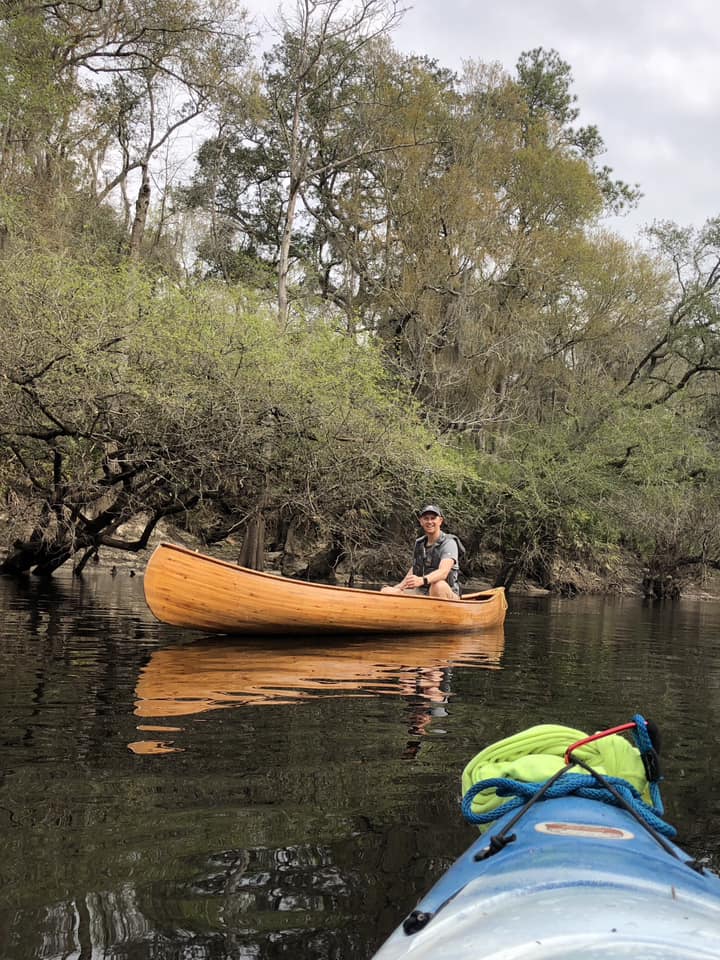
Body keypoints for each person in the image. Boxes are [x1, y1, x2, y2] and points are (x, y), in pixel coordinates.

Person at [381, 505, 463, 600]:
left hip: (446, 592)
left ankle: (439, 613)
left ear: (440, 521)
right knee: (386, 591)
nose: (429, 522)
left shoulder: (449, 543)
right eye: (426, 519)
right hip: (422, 592)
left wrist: (422, 580)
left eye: (433, 518)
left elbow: (443, 572)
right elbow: (415, 568)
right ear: (421, 521)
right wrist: (399, 587)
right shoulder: (419, 543)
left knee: (438, 585)